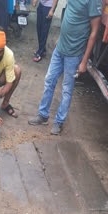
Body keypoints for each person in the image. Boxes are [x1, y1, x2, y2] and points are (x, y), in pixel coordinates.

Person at [28, 0, 102, 135]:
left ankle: (59, 121)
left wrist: (84, 61)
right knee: (49, 80)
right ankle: (43, 115)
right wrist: (60, 37)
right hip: (60, 48)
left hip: (74, 54)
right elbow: (69, 14)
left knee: (66, 89)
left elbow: (94, 32)